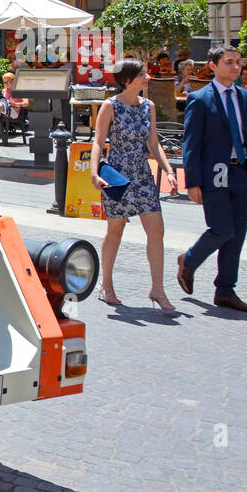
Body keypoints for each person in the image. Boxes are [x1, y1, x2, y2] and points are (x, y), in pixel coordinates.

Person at [177, 44, 247, 313]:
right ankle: (188, 261)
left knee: (236, 235)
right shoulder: (200, 99)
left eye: (238, 62)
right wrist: (191, 181)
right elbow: (191, 143)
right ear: (213, 66)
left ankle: (225, 290)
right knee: (222, 229)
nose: (236, 67)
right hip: (215, 173)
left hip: (243, 173)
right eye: (229, 62)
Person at [89, 59, 178, 311]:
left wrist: (168, 169)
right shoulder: (110, 106)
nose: (148, 78)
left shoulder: (147, 106)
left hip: (142, 175)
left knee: (156, 230)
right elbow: (98, 142)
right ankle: (106, 284)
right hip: (117, 176)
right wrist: (95, 173)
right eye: (142, 75)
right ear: (127, 80)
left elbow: (153, 142)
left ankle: (158, 290)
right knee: (115, 230)